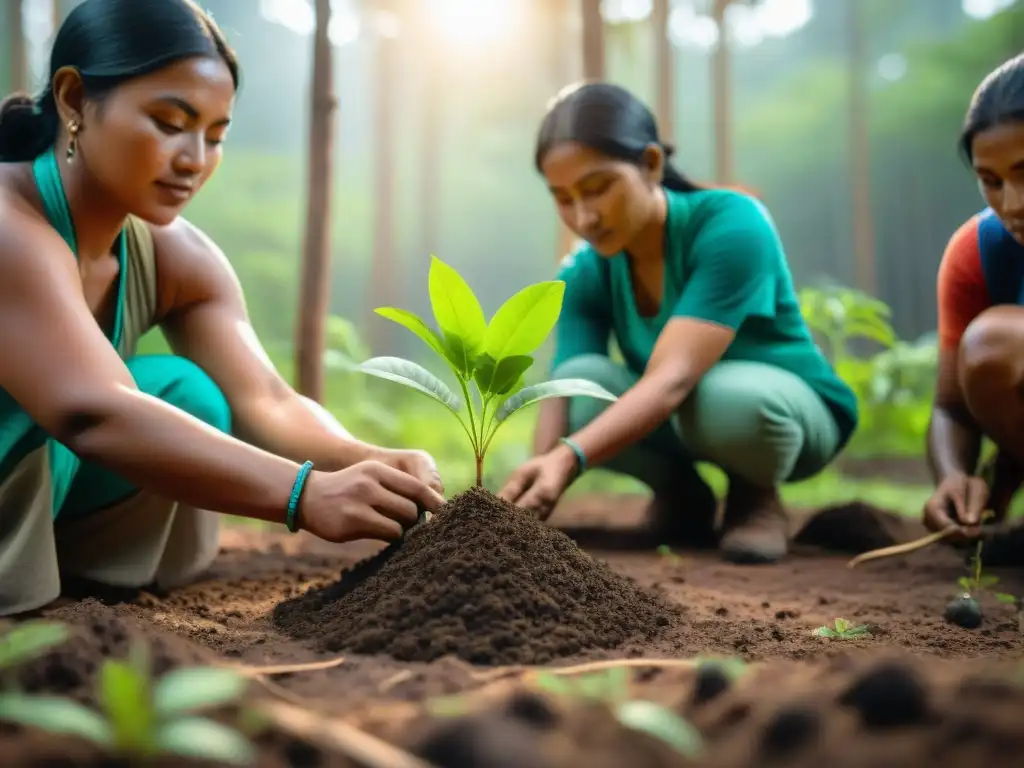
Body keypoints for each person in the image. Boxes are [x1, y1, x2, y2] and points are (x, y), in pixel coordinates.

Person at [0, 0, 446, 617]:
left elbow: (266, 399)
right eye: (168, 121)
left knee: (189, 395)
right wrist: (304, 494)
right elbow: (91, 412)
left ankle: (70, 569)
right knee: (114, 404)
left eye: (214, 135)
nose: (194, 160)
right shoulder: (10, 226)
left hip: (43, 490)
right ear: (74, 100)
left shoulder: (177, 256)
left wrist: (364, 458)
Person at [497, 82, 859, 565]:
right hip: (684, 411)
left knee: (730, 400)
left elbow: (673, 378)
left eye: (598, 187)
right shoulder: (586, 268)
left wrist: (568, 458)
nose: (584, 216)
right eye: (562, 197)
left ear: (650, 164)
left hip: (785, 414)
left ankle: (754, 495)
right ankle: (683, 496)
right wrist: (530, 491)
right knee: (583, 383)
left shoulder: (732, 224)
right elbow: (562, 389)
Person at [923, 52, 1024, 543]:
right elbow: (951, 408)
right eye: (992, 181)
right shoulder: (978, 252)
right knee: (992, 344)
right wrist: (951, 474)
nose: (1013, 203)